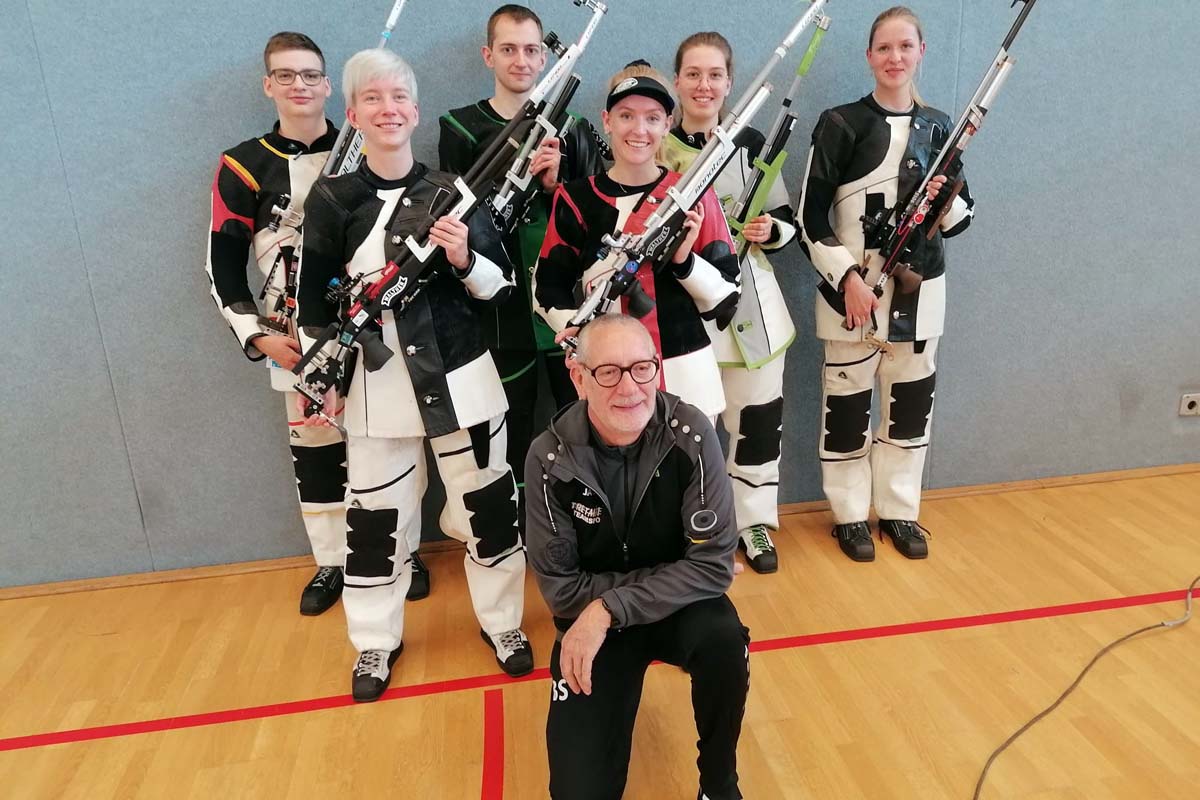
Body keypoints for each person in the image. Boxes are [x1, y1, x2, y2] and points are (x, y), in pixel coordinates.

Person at [294, 48, 533, 702]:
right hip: (377, 391)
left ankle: (503, 624)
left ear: (416, 108)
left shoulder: (453, 192)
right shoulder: (333, 198)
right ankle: (374, 640)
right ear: (354, 114)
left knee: (490, 511)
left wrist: (462, 257)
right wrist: (329, 379)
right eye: (373, 98)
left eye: (398, 96)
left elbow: (500, 288)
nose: (388, 108)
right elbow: (313, 306)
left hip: (464, 382)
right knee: (374, 527)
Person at [526, 313, 750, 800]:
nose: (629, 387)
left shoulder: (691, 433)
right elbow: (561, 590)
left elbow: (712, 566)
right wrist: (673, 577)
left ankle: (718, 783)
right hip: (590, 623)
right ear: (578, 377)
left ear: (656, 368)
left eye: (642, 368)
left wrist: (610, 606)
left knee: (723, 638)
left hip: (668, 610)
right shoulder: (548, 458)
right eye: (608, 371)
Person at [797, 6, 974, 562]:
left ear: (921, 51)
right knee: (847, 410)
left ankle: (900, 510)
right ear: (869, 56)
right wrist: (847, 278)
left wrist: (944, 199)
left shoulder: (941, 126)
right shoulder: (840, 122)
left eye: (905, 46)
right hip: (854, 296)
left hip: (920, 297)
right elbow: (810, 216)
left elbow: (963, 218)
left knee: (909, 409)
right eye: (884, 48)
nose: (895, 57)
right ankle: (849, 515)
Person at [438, 4, 605, 519]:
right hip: (497, 312)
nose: (521, 60)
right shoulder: (461, 127)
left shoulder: (572, 125)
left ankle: (581, 528)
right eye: (508, 49)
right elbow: (454, 219)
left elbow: (599, 221)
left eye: (532, 49)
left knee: (581, 425)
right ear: (489, 55)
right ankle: (508, 533)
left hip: (562, 308)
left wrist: (558, 186)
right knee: (502, 436)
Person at [204, 31, 347, 617]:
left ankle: (400, 552)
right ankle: (332, 561)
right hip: (295, 343)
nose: (299, 86)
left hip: (376, 335)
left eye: (310, 74)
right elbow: (219, 263)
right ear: (268, 85)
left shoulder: (366, 149)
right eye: (286, 76)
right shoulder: (243, 164)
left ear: (328, 84)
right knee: (316, 450)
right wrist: (256, 335)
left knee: (387, 445)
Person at [533, 62, 740, 424]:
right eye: (626, 115)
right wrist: (583, 331)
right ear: (607, 120)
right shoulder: (576, 197)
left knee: (693, 477)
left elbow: (727, 297)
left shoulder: (693, 194)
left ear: (667, 124)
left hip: (685, 369)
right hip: (609, 372)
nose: (639, 129)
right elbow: (547, 288)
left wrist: (683, 262)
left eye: (652, 118)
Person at [664, 32, 798, 575]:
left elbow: (790, 219)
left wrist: (771, 231)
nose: (704, 85)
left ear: (729, 81)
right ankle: (694, 529)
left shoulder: (755, 142)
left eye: (714, 75)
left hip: (755, 313)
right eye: (693, 74)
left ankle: (755, 523)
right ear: (677, 81)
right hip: (683, 315)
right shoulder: (654, 144)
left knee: (759, 422)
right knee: (688, 436)